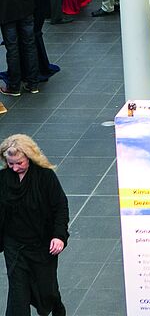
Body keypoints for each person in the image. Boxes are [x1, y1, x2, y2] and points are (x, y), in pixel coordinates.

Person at [0, 134, 70, 316]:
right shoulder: (3, 179)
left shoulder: (45, 177)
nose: (15, 168)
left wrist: (59, 236)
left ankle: (56, 307)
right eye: (10, 163)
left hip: (41, 245)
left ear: (30, 157)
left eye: (19, 163)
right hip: (14, 246)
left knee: (47, 290)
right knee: (18, 294)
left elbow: (60, 207)